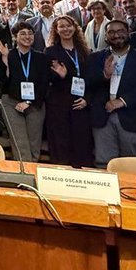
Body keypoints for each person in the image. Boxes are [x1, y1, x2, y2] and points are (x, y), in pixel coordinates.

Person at [85, 19, 136, 166]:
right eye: (111, 32)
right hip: (102, 117)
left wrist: (122, 101)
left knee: (130, 164)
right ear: (105, 36)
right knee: (103, 163)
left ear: (128, 33)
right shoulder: (95, 57)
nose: (116, 35)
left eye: (120, 31)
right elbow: (87, 83)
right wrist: (104, 75)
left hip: (132, 116)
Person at [44, 16, 92, 167]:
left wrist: (87, 99)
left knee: (82, 145)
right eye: (62, 26)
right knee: (61, 146)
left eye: (69, 25)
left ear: (75, 28)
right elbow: (46, 79)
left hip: (81, 105)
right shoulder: (50, 52)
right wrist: (60, 76)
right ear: (56, 30)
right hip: (59, 105)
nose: (66, 29)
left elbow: (91, 80)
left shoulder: (85, 52)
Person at [0, 22, 49, 163]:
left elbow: (44, 83)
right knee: (20, 142)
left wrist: (28, 102)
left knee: (34, 143)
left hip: (35, 102)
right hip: (12, 102)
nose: (27, 36)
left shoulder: (41, 57)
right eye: (23, 33)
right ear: (15, 37)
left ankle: (32, 170)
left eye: (30, 33)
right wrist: (5, 60)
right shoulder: (9, 55)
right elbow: (4, 82)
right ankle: (24, 172)